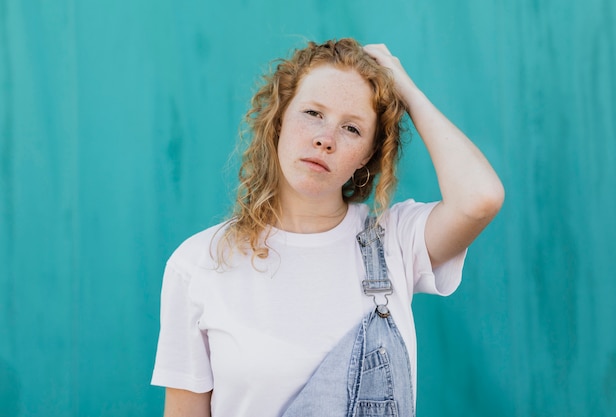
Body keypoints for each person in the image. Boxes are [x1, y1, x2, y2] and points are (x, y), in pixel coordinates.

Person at [151, 38, 504, 417]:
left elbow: (479, 198)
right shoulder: (197, 264)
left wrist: (408, 92)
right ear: (280, 117)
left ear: (368, 153)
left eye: (352, 128)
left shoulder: (395, 243)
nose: (325, 139)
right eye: (313, 113)